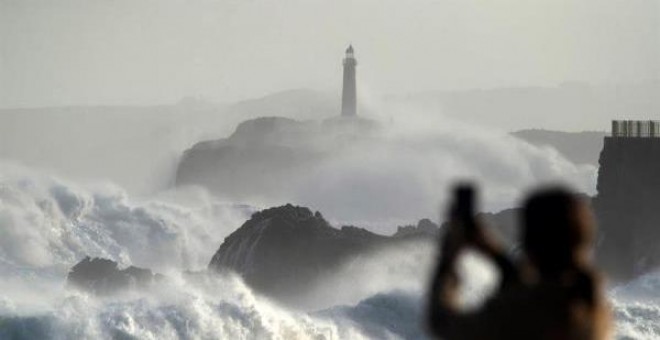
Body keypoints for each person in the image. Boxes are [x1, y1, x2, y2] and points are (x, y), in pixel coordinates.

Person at [427, 185, 612, 340]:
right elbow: (529, 289)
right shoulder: (592, 305)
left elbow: (442, 321)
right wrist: (494, 253)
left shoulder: (520, 312)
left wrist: (448, 256)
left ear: (528, 244)